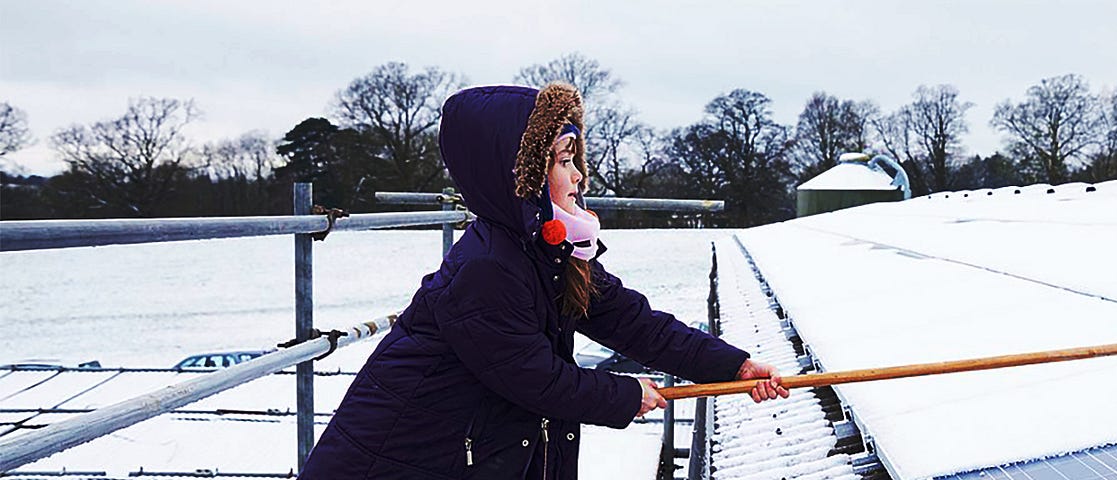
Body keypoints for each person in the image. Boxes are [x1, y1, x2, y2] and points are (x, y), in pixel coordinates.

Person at [300, 82, 788, 479]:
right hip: (395, 466)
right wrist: (624, 394)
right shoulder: (485, 269)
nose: (578, 177)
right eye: (563, 161)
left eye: (576, 158)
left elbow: (634, 323)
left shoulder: (546, 251)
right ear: (522, 175)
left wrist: (734, 366)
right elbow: (534, 379)